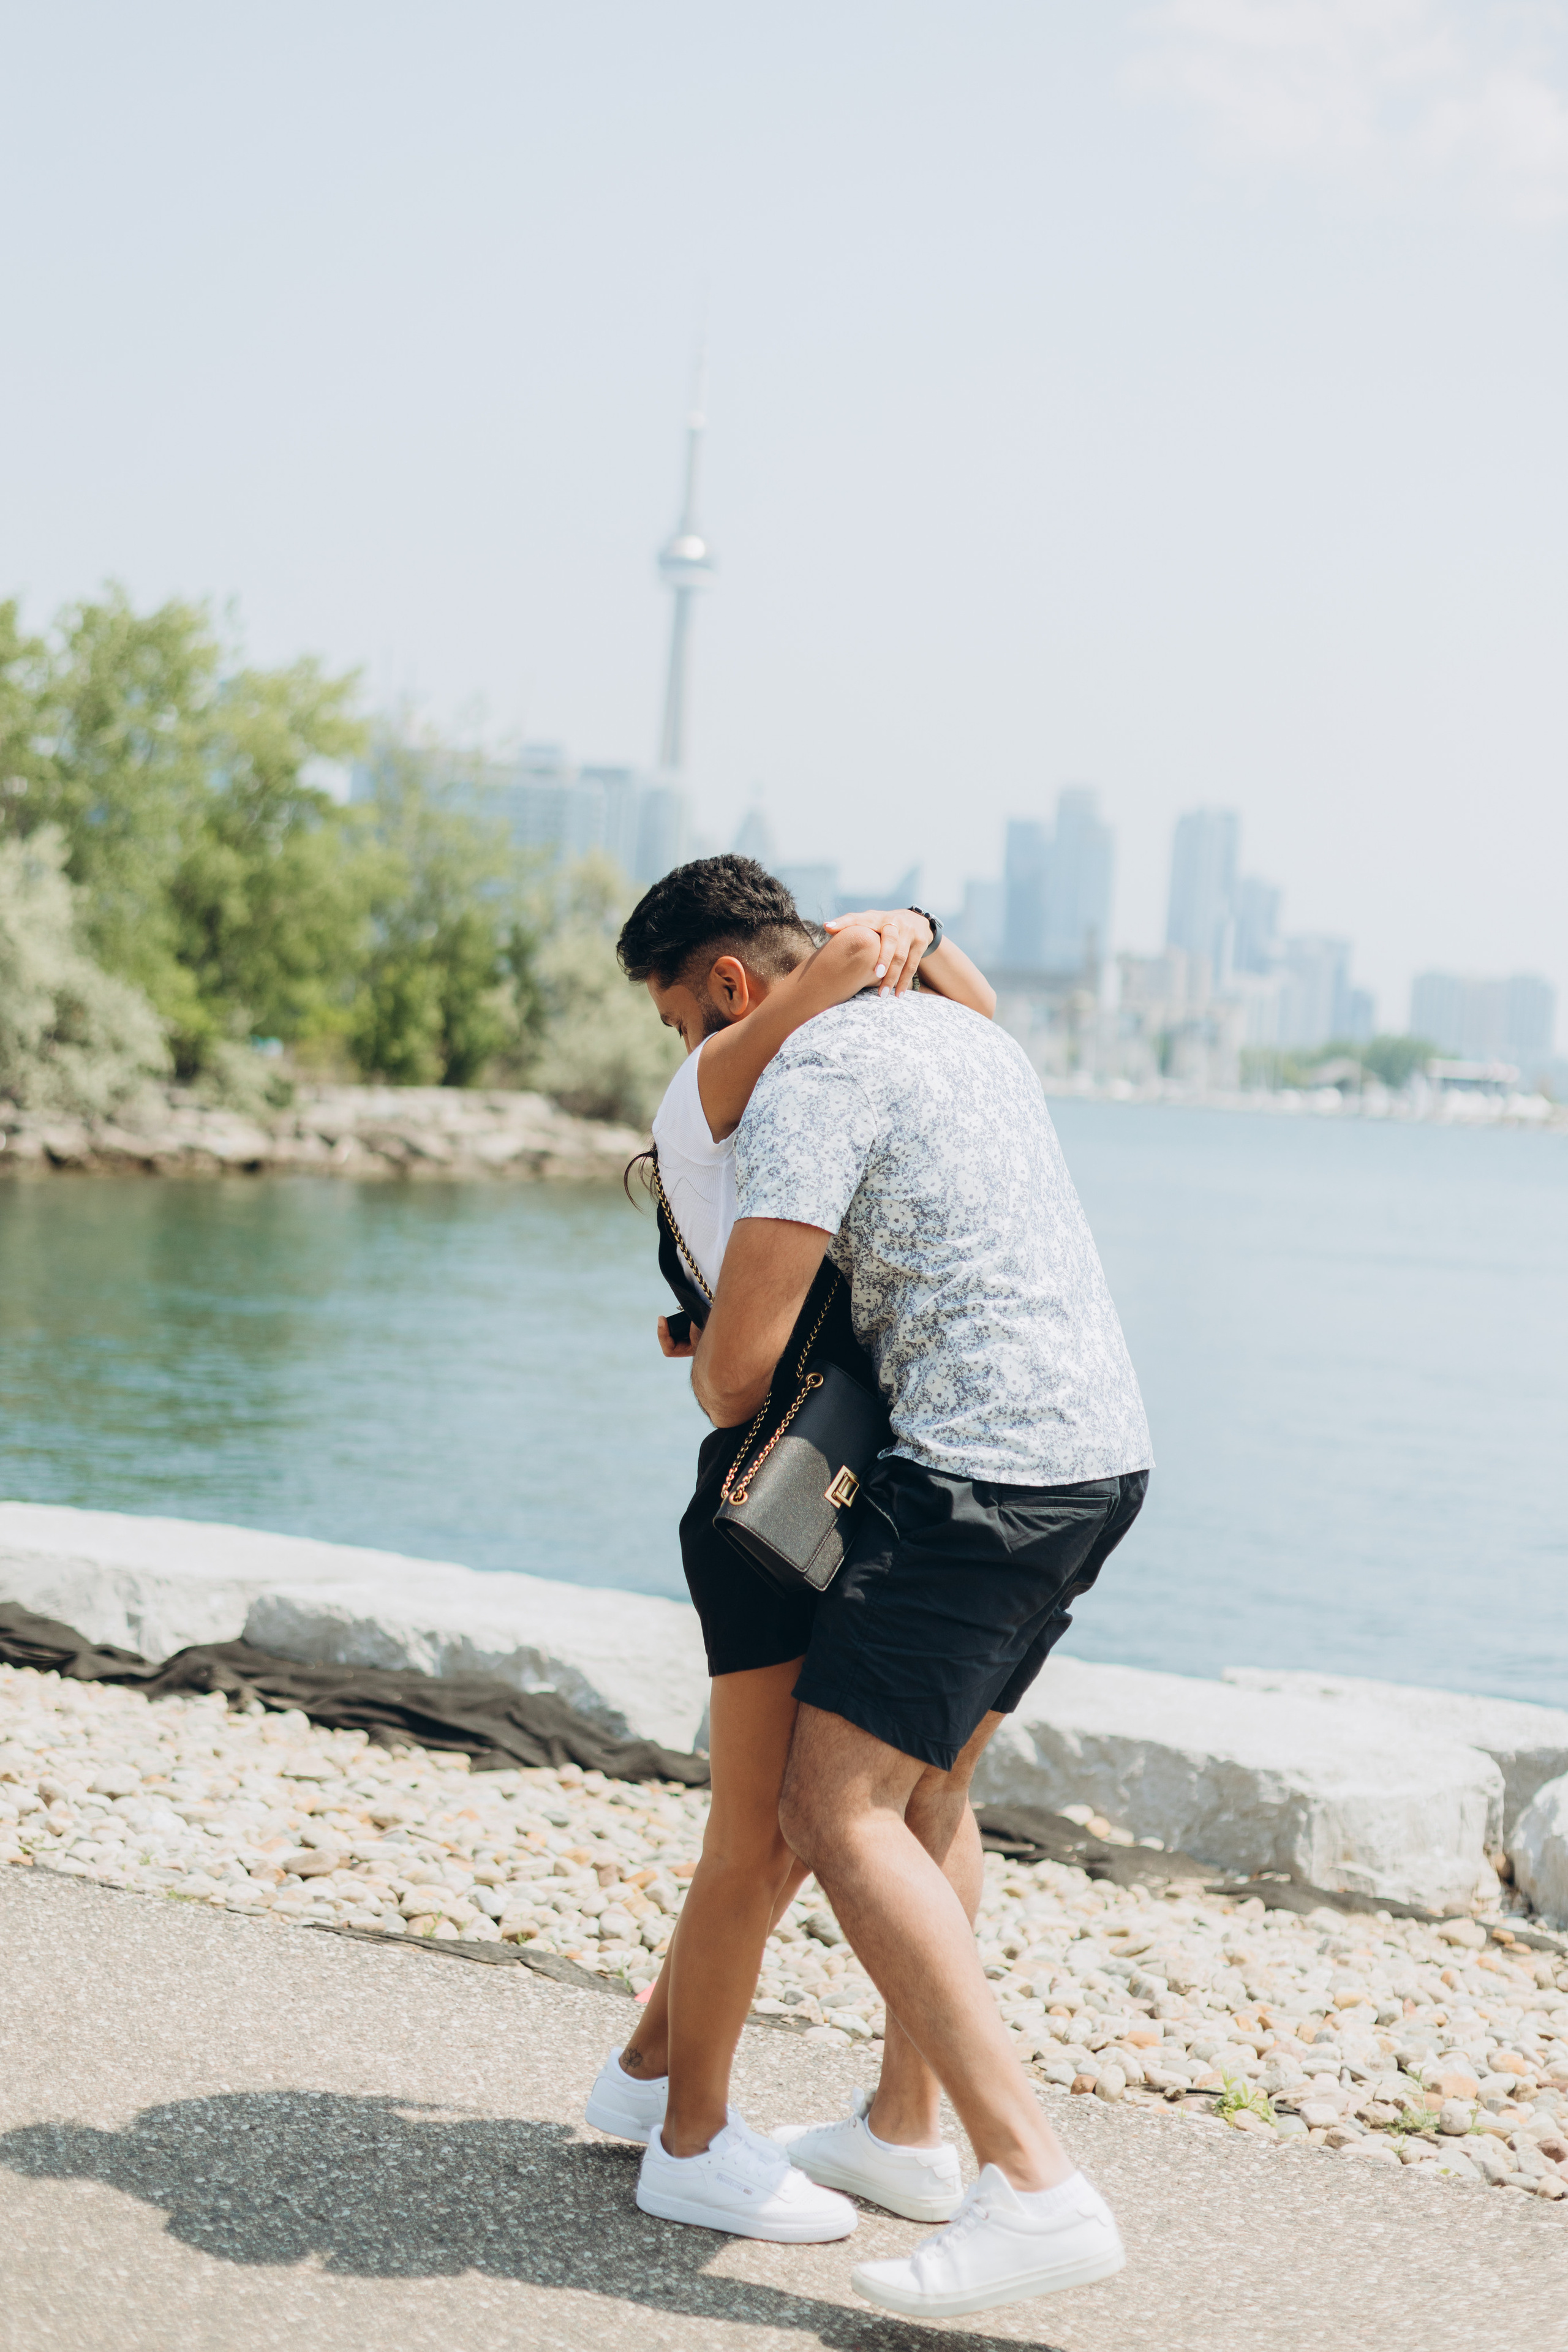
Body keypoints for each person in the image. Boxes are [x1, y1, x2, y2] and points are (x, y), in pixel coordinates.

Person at [684, 873, 1152, 2318]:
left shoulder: (808, 1076)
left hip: (975, 1477)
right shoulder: (971, 1043)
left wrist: (704, 1337)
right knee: (930, 1794)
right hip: (1098, 1456)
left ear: (732, 991)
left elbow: (735, 1373)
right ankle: (903, 2135)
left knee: (833, 1807)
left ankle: (1037, 2187)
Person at [582, 855, 1000, 2243]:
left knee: (907, 1807)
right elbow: (812, 997)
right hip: (772, 1496)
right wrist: (866, 944)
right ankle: (684, 2129)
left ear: (715, 975)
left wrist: (917, 935)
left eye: (673, 1009)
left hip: (858, 1484)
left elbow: (973, 1016)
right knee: (760, 1835)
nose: (677, 1041)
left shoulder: (819, 1072)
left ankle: (715, 2088)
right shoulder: (706, 1092)